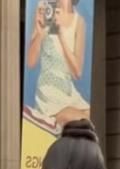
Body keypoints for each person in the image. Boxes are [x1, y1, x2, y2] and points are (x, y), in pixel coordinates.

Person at [24, 0, 90, 134]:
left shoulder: (79, 21)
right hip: (49, 91)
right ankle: (50, 120)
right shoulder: (45, 7)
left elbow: (77, 72)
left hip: (68, 90)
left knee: (91, 117)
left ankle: (54, 125)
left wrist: (61, 36)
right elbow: (30, 62)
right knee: (81, 120)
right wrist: (40, 33)